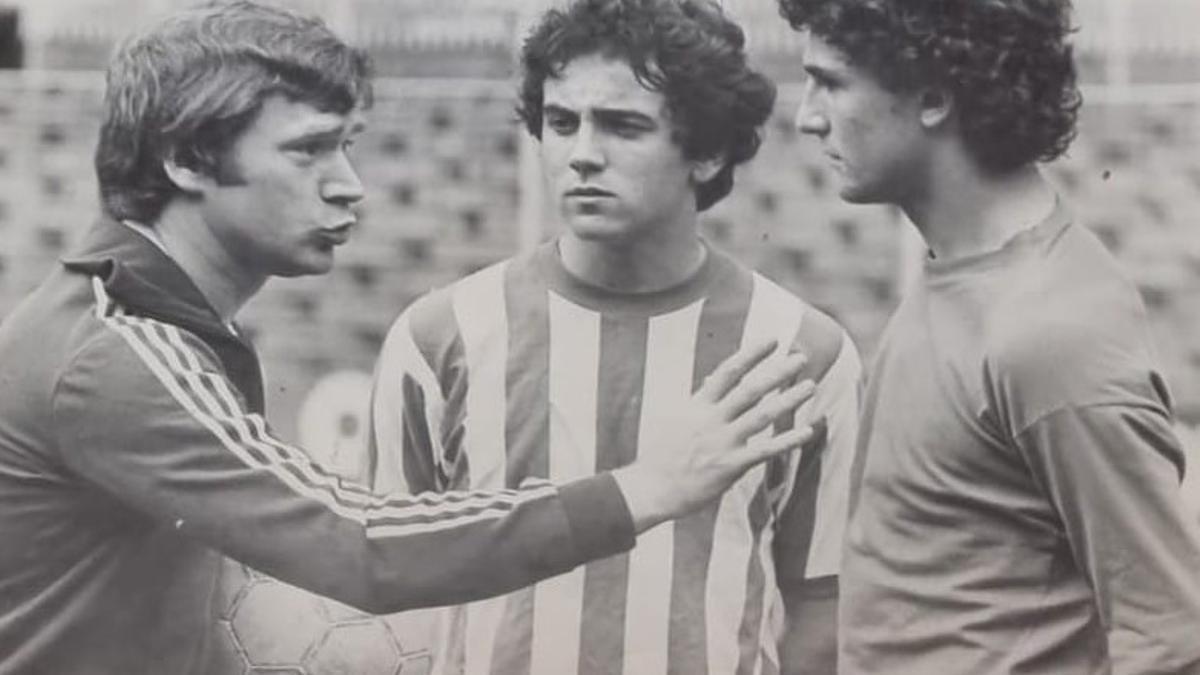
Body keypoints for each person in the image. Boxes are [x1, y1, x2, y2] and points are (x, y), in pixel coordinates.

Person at [0, 2, 822, 673]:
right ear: (186, 159)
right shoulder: (115, 352)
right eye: (310, 150)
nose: (350, 185)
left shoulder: (139, 323)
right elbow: (360, 542)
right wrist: (647, 485)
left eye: (347, 146)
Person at [367, 1, 861, 673]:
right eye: (561, 123)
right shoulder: (440, 337)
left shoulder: (801, 352)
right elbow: (391, 584)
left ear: (708, 152)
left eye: (623, 126)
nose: (582, 155)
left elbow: (823, 608)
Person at [777, 0, 1200, 672]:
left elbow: (1170, 634)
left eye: (830, 81)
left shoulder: (1051, 330)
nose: (807, 116)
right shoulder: (961, 267)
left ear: (933, 97)